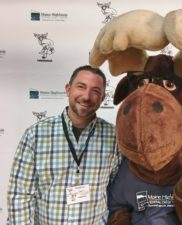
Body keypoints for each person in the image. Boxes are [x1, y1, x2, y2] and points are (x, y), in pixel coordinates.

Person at [7, 65, 122, 224]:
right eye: (81, 87)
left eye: (95, 91)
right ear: (68, 89)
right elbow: (20, 195)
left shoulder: (114, 137)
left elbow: (116, 188)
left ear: (102, 98)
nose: (87, 96)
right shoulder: (36, 135)